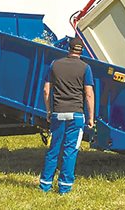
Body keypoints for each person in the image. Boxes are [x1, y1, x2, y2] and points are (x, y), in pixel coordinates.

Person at [39, 37, 95, 195]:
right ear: (81, 50)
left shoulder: (55, 64)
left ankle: (44, 185)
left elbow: (46, 90)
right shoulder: (85, 68)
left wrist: (49, 111)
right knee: (70, 151)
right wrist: (90, 117)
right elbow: (89, 94)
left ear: (68, 48)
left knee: (53, 149)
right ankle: (64, 188)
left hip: (58, 113)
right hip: (76, 115)